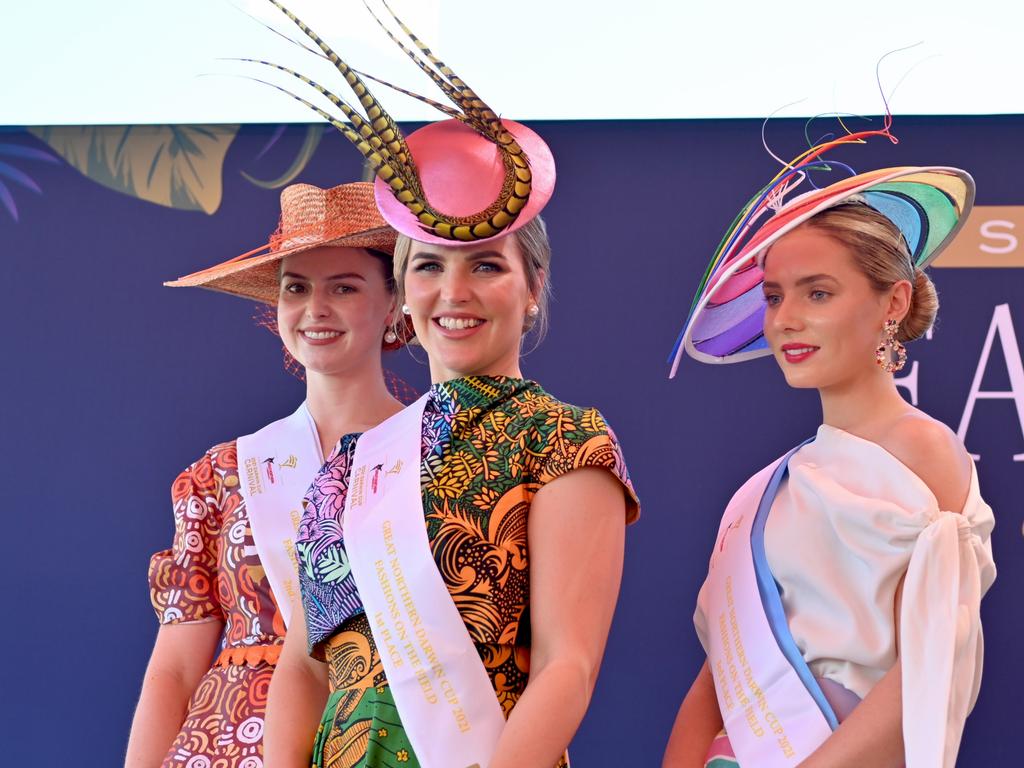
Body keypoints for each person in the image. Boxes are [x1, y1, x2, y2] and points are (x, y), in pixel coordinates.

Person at [255, 5, 640, 767]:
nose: (453, 291)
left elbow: (569, 666)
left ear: (533, 288)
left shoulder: (563, 438)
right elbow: (304, 665)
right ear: (402, 294)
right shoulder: (350, 467)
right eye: (428, 265)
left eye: (486, 266)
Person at [662, 161, 996, 768]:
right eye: (773, 296)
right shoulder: (762, 492)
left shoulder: (921, 449)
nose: (785, 318)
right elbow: (719, 681)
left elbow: (932, 664)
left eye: (817, 292)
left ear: (892, 301)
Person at [124, 181, 413, 768]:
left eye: (344, 287)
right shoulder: (222, 475)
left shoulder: (439, 458)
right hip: (225, 748)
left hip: (379, 740)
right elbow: (175, 668)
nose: (316, 309)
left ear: (395, 302)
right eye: (296, 288)